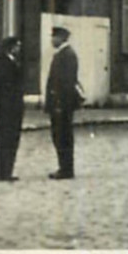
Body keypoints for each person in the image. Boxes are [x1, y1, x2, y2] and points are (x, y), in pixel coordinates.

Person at [44, 25, 82, 179]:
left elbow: (66, 83)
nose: (52, 40)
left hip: (61, 105)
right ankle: (64, 167)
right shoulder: (63, 54)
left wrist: (59, 104)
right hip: (59, 104)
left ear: (61, 38)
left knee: (62, 136)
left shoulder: (67, 55)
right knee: (60, 136)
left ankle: (66, 169)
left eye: (54, 37)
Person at [0, 36, 24, 182]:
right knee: (9, 140)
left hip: (4, 109)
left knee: (4, 140)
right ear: (11, 48)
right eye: (17, 46)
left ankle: (3, 172)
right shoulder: (6, 64)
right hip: (10, 109)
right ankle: (5, 172)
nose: (19, 49)